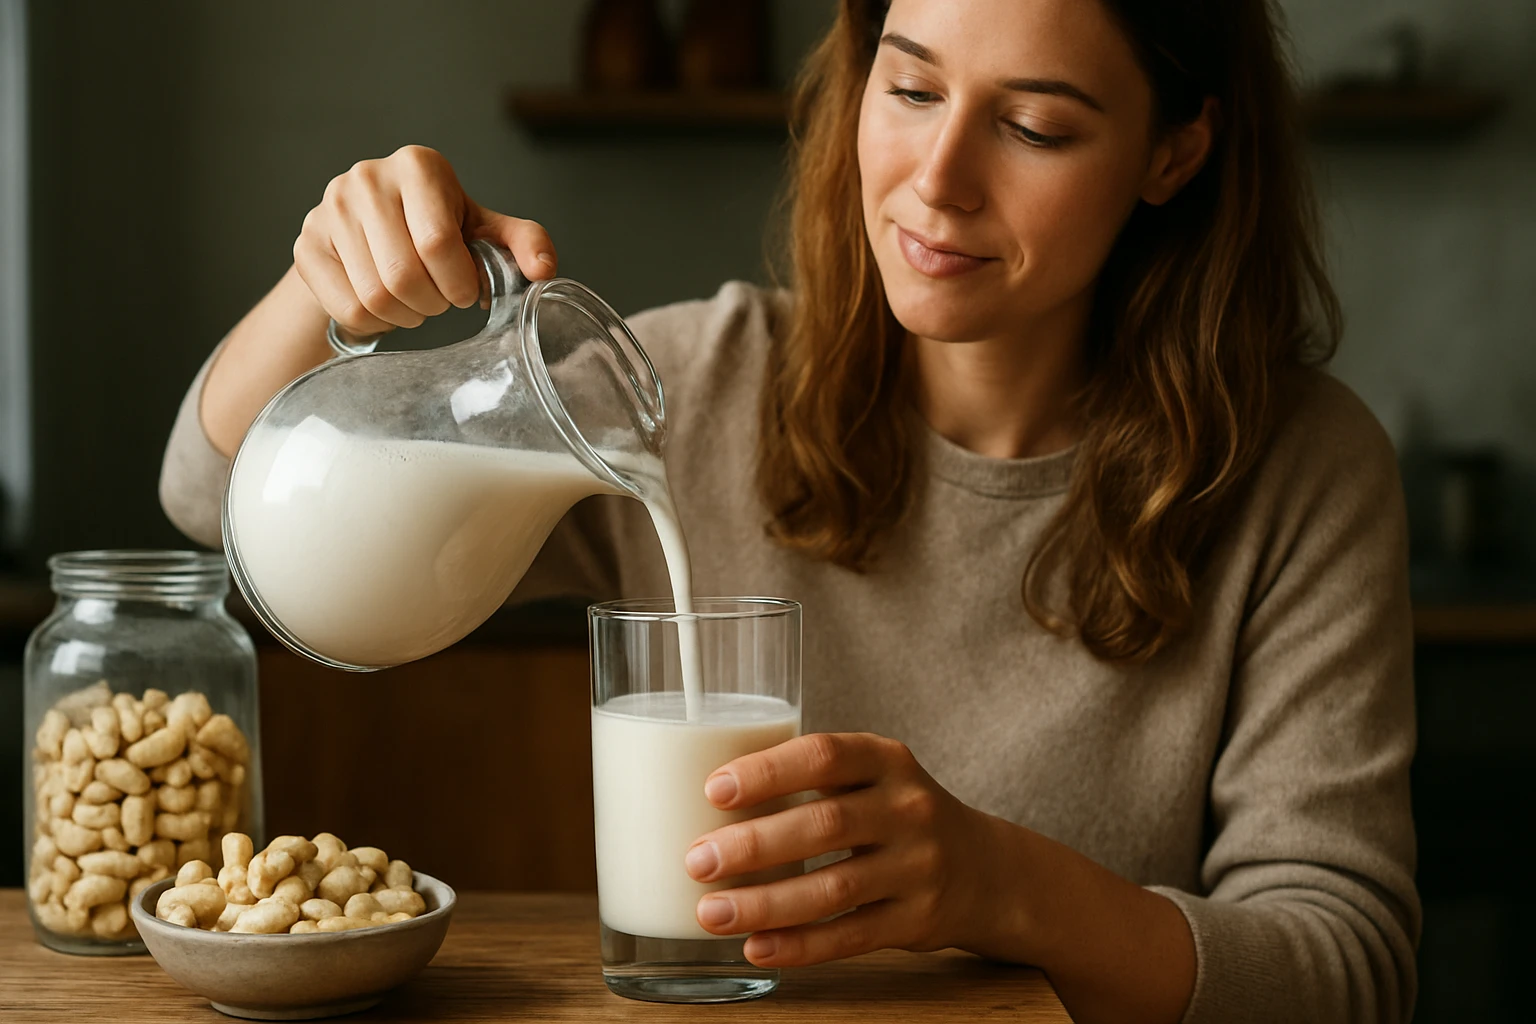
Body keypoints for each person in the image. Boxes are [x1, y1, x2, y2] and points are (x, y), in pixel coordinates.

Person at [160, 1, 1419, 1021]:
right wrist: (324, 284)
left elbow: (1345, 966)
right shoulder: (698, 390)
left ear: (1173, 152)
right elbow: (211, 499)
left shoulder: (1300, 472)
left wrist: (1000, 886)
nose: (938, 180)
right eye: (911, 87)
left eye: (1033, 126)